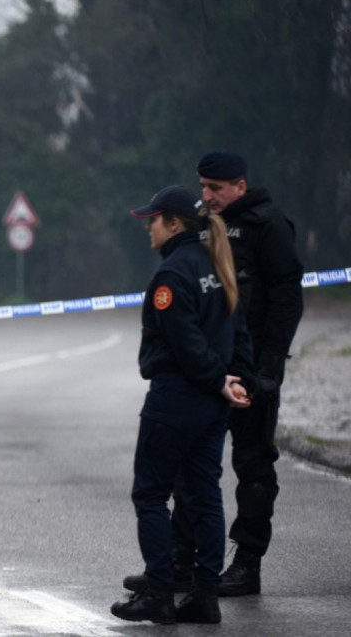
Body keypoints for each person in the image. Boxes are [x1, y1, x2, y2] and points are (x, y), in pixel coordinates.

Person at [111, 185, 253, 625]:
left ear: (173, 223)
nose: (148, 228)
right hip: (213, 404)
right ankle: (204, 597)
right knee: (204, 495)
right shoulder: (216, 263)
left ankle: (158, 592)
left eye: (152, 220)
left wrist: (215, 378)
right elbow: (237, 331)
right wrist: (235, 380)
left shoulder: (172, 274)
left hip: (176, 398)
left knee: (151, 495)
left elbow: (186, 342)